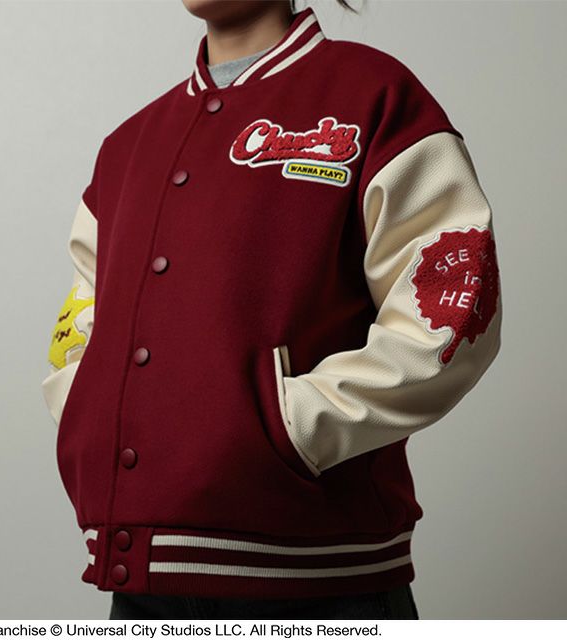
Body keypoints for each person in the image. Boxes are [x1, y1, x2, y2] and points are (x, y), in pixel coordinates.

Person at [42, 0, 502, 621]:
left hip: (324, 590)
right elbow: (80, 329)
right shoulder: (127, 147)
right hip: (142, 583)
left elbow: (453, 309)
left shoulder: (375, 96)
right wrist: (88, 416)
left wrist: (293, 427)